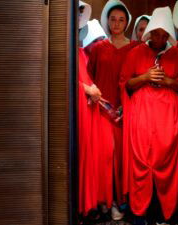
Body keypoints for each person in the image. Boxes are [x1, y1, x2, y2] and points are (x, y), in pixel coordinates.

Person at [120, 7, 178, 223]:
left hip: (168, 121)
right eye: (156, 33)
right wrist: (144, 77)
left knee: (166, 162)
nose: (159, 38)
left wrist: (168, 81)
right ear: (149, 32)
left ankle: (165, 212)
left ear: (169, 34)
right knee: (141, 162)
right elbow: (125, 84)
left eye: (164, 34)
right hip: (142, 119)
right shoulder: (135, 54)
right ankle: (140, 213)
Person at [87, 0, 139, 220]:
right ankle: (104, 201)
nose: (116, 23)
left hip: (127, 111)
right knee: (105, 156)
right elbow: (88, 77)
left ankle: (119, 201)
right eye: (113, 19)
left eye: (121, 20)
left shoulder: (135, 48)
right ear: (107, 21)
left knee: (122, 158)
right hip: (101, 110)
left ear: (126, 23)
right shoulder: (98, 48)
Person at [77, 1, 102, 218]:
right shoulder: (67, 51)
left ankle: (86, 206)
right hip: (76, 114)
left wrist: (92, 89)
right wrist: (86, 88)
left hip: (87, 111)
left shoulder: (81, 53)